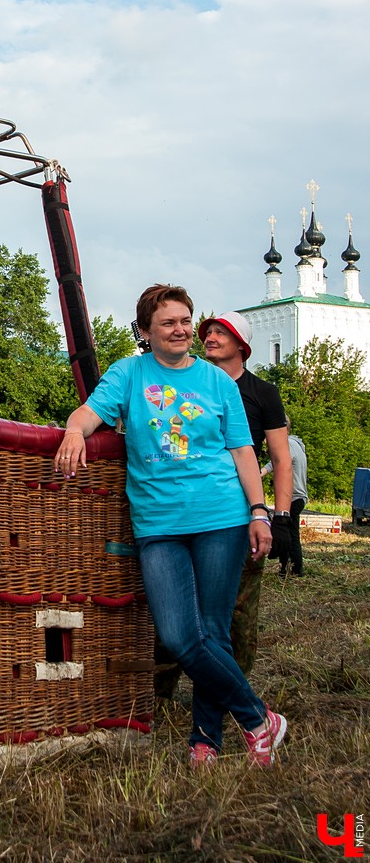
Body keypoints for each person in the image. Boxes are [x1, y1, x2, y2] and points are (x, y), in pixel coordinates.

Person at [54, 284, 287, 766]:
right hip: (157, 523)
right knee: (180, 635)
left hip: (220, 516)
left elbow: (244, 452)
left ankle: (206, 739)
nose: (181, 330)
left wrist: (259, 512)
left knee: (214, 632)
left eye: (185, 320)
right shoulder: (129, 374)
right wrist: (74, 431)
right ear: (145, 331)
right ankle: (259, 717)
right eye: (168, 323)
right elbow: (90, 413)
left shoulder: (217, 382)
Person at [199, 312, 293, 674]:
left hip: (243, 511)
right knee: (182, 605)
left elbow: (281, 460)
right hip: (194, 506)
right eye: (208, 331)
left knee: (239, 608)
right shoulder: (192, 384)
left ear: (242, 345)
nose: (210, 337)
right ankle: (158, 700)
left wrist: (281, 517)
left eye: (221, 332)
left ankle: (234, 693)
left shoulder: (262, 393)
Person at [268, 416, 307, 576]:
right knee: (288, 533)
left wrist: (259, 473)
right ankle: (286, 568)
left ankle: (294, 570)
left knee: (289, 534)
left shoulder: (288, 444)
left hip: (292, 496)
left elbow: (277, 461)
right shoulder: (297, 444)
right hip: (299, 496)